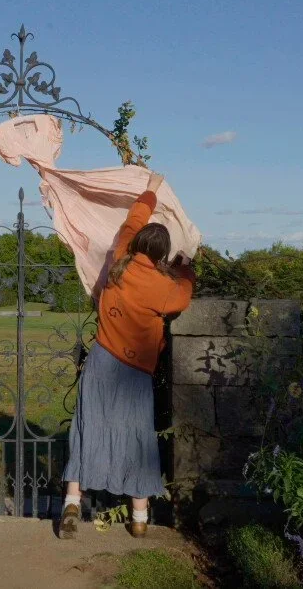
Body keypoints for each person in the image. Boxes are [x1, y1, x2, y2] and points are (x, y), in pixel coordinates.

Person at [59, 169, 195, 539]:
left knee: (88, 429)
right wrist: (186, 268)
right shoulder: (163, 287)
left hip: (102, 361)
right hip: (135, 371)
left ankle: (72, 502)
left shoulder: (119, 258)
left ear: (137, 244)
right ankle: (139, 518)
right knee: (136, 438)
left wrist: (150, 189)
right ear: (161, 254)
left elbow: (133, 219)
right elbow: (183, 295)